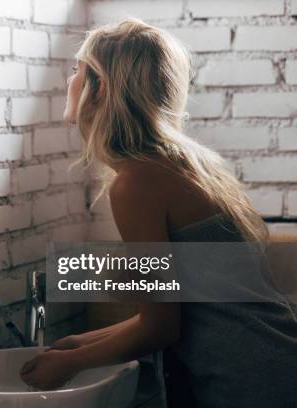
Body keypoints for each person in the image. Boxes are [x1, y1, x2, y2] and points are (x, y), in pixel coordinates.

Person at [19, 18, 297, 408]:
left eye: (77, 70)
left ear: (100, 88)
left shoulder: (136, 184)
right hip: (275, 359)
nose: (69, 81)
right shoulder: (187, 162)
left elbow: (161, 329)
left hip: (250, 378)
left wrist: (71, 364)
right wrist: (78, 343)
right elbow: (177, 310)